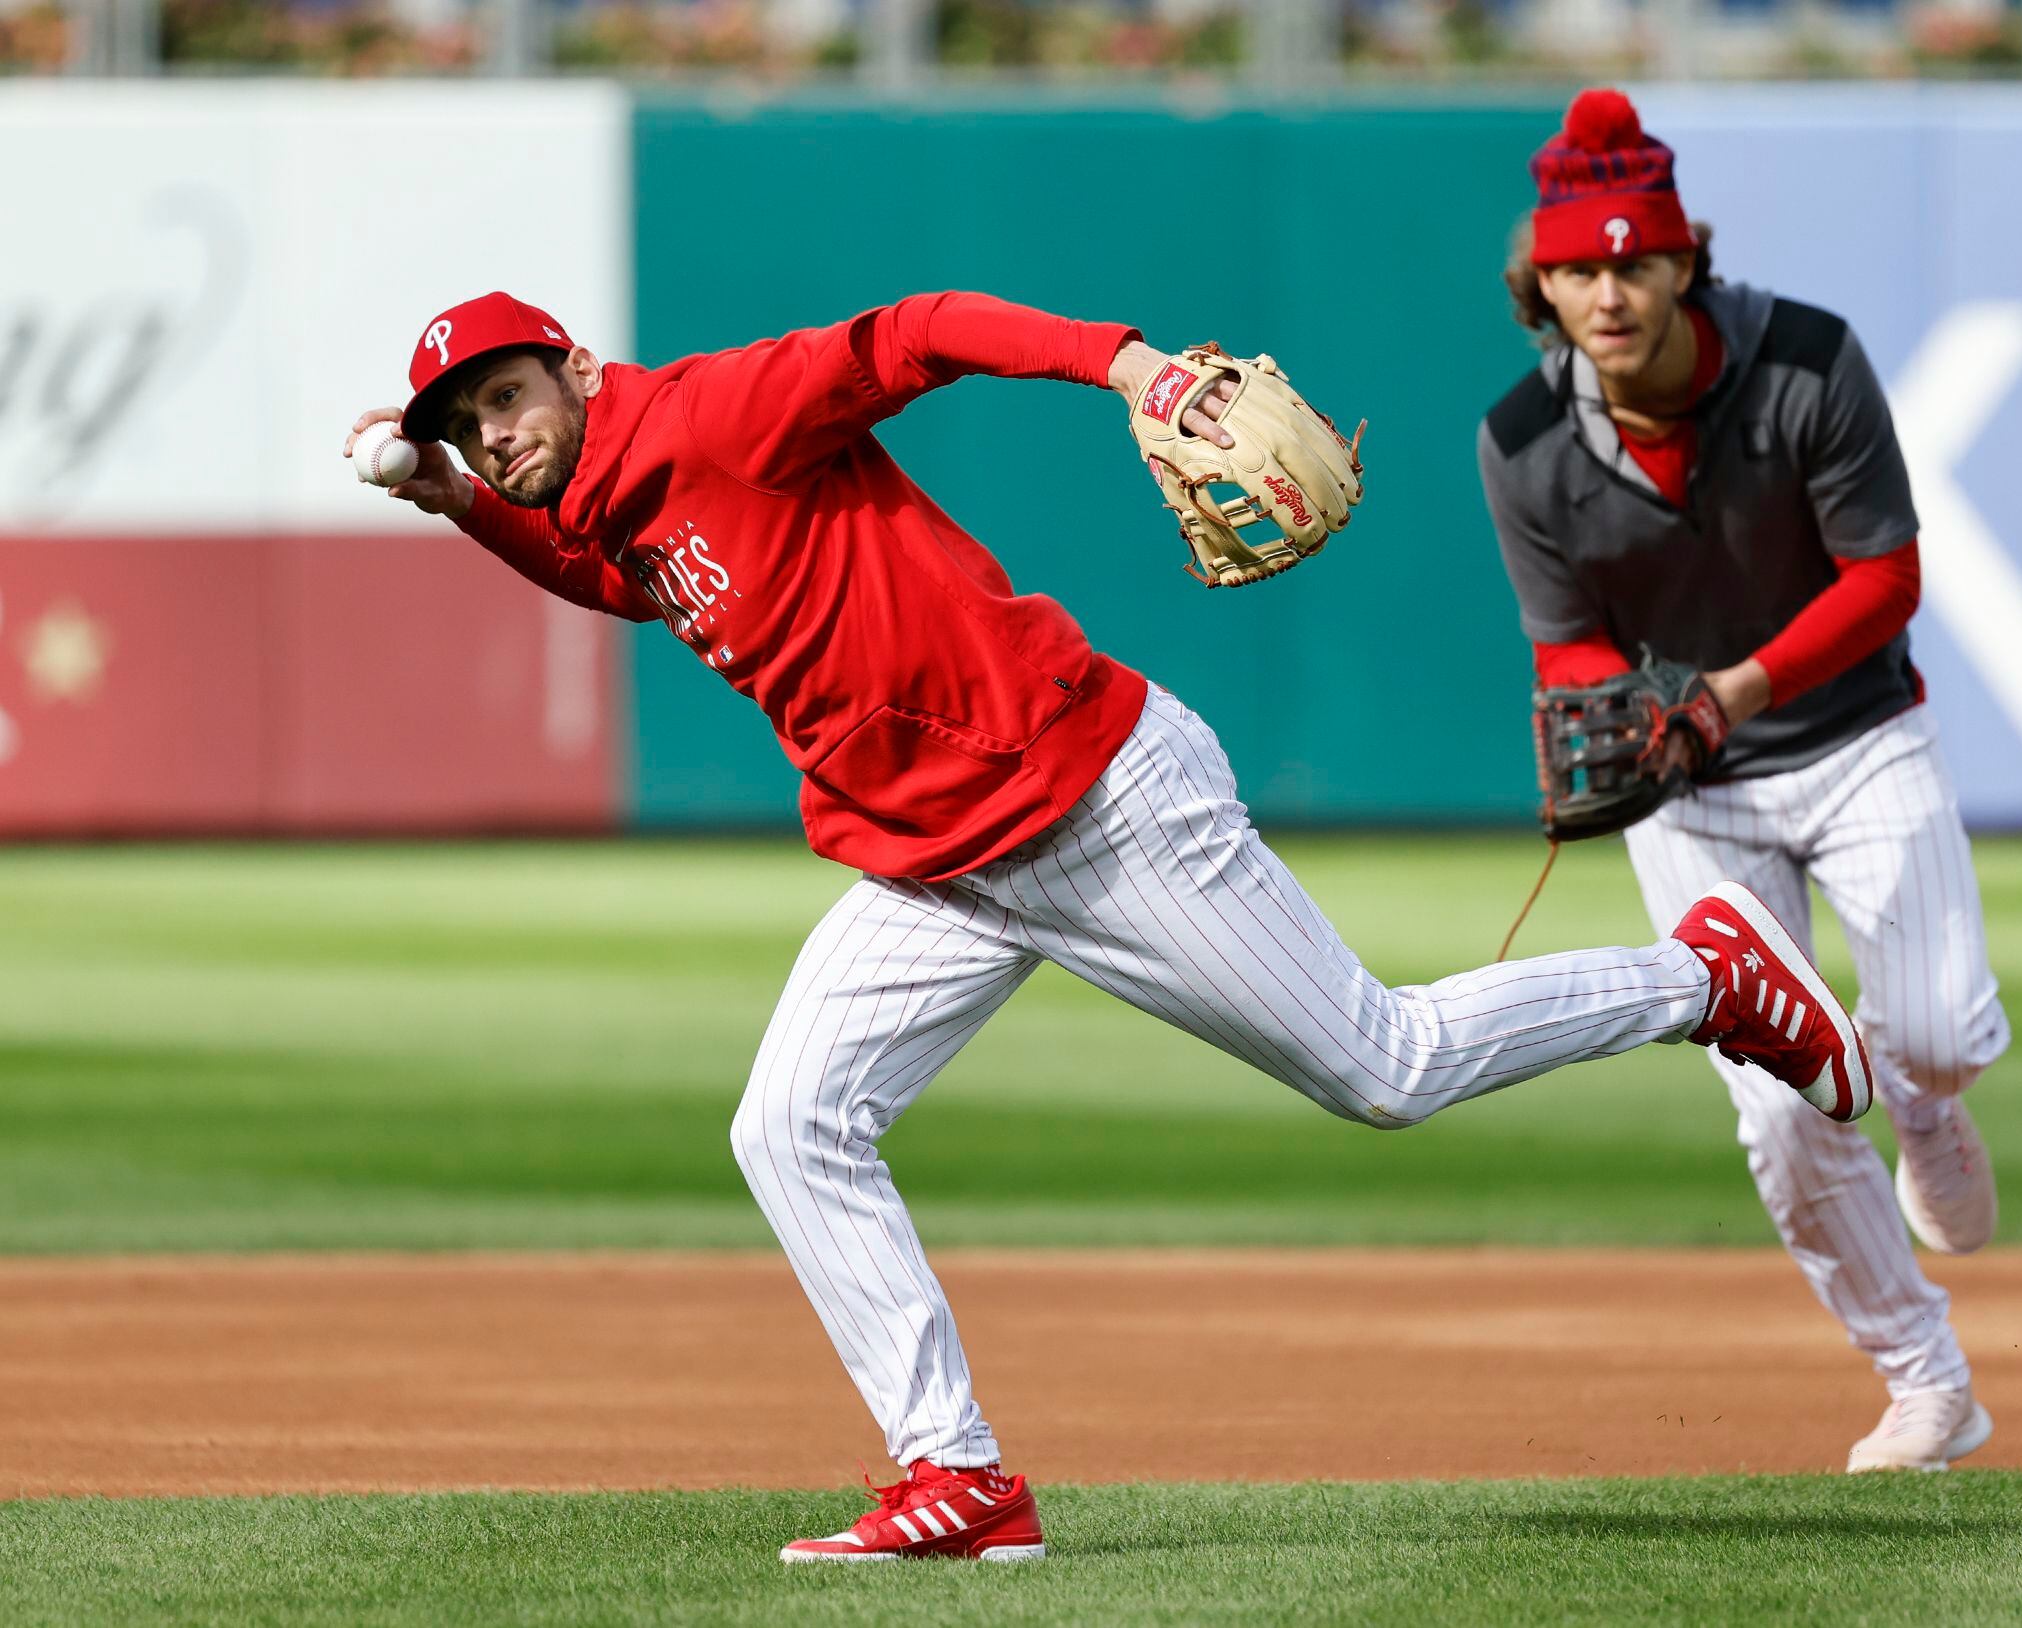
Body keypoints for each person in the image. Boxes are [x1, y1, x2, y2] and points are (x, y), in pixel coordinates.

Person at [346, 287, 1873, 1562]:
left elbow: (918, 332)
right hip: (938, 863)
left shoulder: (708, 413)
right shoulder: (615, 497)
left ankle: (1704, 979)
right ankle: (958, 1475)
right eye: (465, 426)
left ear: (576, 368)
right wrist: (465, 508)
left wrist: (1128, 363)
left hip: (1096, 805)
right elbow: (624, 578)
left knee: (1387, 1067)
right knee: (790, 1122)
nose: (493, 431)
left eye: (503, 397)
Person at [1477, 89, 2011, 1473]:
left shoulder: (1806, 364)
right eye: (1579, 268)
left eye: (1632, 263)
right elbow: (1569, 641)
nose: (1608, 292)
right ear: (1542, 278)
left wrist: (1728, 694)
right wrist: (1600, 710)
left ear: (1681, 261)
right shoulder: (1522, 443)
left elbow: (1886, 578)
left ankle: (1931, 1102)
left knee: (1933, 1033)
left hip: (1854, 736)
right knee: (1777, 1101)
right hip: (1696, 794)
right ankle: (1925, 1381)